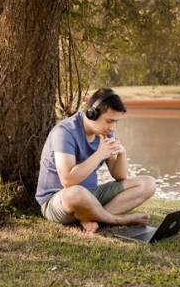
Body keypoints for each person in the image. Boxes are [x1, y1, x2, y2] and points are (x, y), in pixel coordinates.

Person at [35, 88, 156, 232]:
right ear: (92, 114)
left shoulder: (105, 132)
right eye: (110, 121)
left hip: (92, 195)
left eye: (116, 122)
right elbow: (68, 181)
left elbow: (120, 176)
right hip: (60, 200)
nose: (113, 127)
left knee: (148, 184)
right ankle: (116, 220)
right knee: (77, 193)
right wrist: (99, 154)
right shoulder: (64, 132)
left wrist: (122, 154)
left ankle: (90, 217)